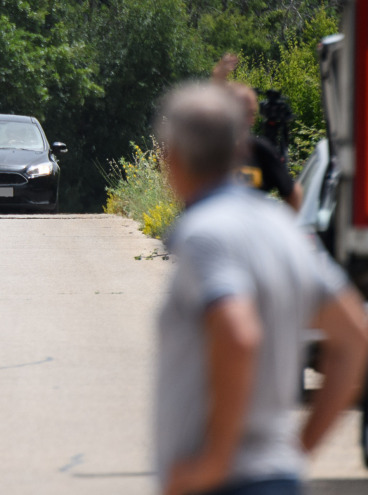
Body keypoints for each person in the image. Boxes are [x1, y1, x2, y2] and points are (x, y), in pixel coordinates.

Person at [154, 82, 368, 495]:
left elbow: (239, 334)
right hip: (277, 477)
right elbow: (356, 338)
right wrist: (297, 453)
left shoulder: (203, 234)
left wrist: (216, 460)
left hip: (227, 483)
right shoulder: (283, 231)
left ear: (173, 157)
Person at [212, 54, 303, 211]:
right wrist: (218, 80)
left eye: (252, 113)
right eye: (245, 113)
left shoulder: (259, 150)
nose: (251, 121)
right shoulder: (208, 151)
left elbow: (293, 193)